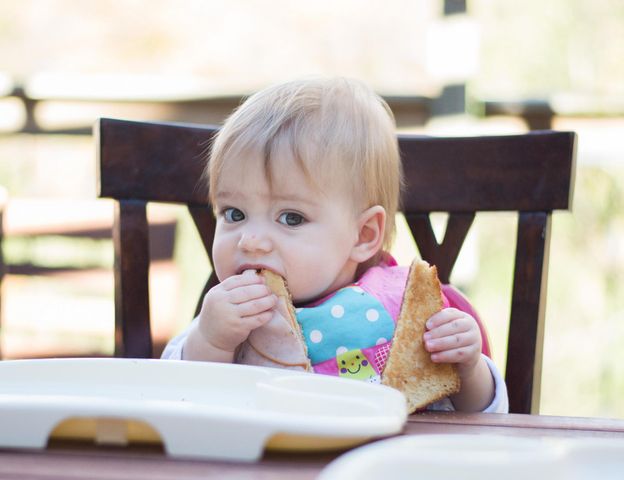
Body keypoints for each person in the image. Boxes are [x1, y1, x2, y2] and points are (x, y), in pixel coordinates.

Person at [162, 76, 508, 413]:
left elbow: (488, 418)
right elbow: (171, 396)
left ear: (363, 236)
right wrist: (210, 342)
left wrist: (468, 367)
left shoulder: (404, 317)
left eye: (291, 218)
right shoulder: (229, 319)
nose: (250, 240)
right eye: (234, 213)